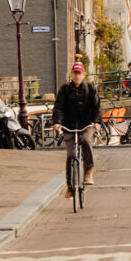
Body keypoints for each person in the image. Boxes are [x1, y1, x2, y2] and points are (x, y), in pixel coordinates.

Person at [52, 60, 101, 197]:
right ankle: (70, 187)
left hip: (86, 125)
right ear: (71, 74)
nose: (77, 76)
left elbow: (97, 107)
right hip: (69, 126)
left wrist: (96, 122)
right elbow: (58, 107)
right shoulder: (64, 89)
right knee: (71, 155)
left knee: (86, 141)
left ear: (83, 75)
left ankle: (88, 171)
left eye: (79, 73)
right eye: (75, 73)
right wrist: (57, 122)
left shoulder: (90, 89)